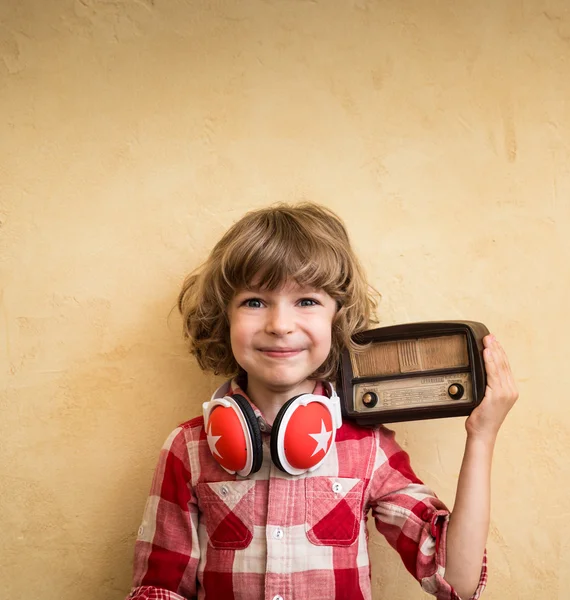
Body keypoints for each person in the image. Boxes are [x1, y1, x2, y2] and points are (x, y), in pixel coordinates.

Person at [126, 202, 518, 600]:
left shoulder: (369, 449)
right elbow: (159, 588)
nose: (280, 325)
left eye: (307, 301)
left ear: (338, 317)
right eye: (254, 302)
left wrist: (482, 437)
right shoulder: (187, 449)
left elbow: (457, 580)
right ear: (224, 316)